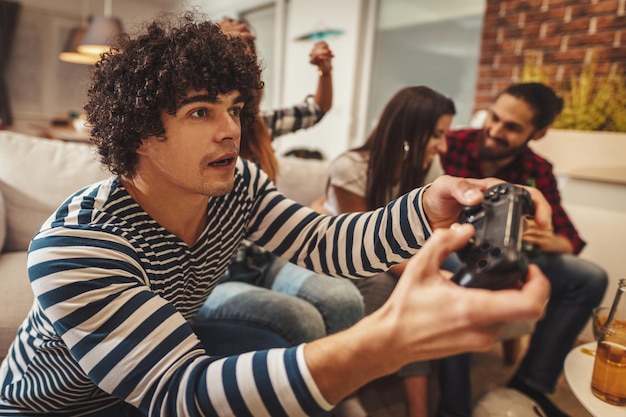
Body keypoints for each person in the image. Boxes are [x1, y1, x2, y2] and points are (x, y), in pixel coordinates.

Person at [0, 13, 553, 416]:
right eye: (200, 111)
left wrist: (429, 204)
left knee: (280, 353)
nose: (231, 130)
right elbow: (180, 394)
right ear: (140, 132)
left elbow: (328, 243)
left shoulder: (237, 183)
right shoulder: (78, 244)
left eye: (234, 108)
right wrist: (387, 340)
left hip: (162, 362)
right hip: (59, 407)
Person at [440, 82, 609, 417]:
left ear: (539, 133)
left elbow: (568, 238)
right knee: (469, 278)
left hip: (515, 254)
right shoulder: (449, 145)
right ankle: (452, 409)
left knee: (591, 277)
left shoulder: (536, 170)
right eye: (495, 117)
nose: (494, 130)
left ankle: (529, 387)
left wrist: (549, 239)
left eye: (512, 127)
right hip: (451, 246)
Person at [195, 17, 365, 349]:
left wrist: (324, 70)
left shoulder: (261, 126)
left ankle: (339, 393)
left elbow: (317, 108)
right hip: (218, 277)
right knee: (302, 321)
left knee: (345, 299)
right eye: (231, 57)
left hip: (268, 259)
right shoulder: (192, 134)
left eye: (248, 60)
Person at [317, 86, 468, 417]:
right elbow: (361, 245)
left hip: (402, 250)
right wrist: (425, 271)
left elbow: (433, 234)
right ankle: (353, 390)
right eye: (437, 135)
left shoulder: (427, 165)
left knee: (466, 276)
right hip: (347, 254)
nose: (443, 146)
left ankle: (444, 407)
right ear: (408, 132)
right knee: (403, 289)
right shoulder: (352, 168)